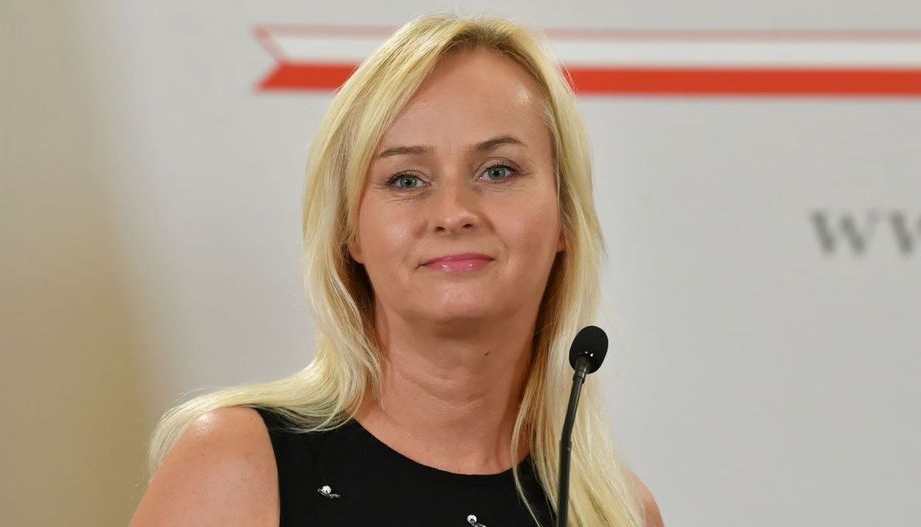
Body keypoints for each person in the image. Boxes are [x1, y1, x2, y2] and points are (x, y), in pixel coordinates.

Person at [129, 11, 663, 527]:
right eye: (407, 179)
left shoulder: (618, 514)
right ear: (351, 232)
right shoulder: (238, 464)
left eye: (498, 171)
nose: (453, 213)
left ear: (565, 216)